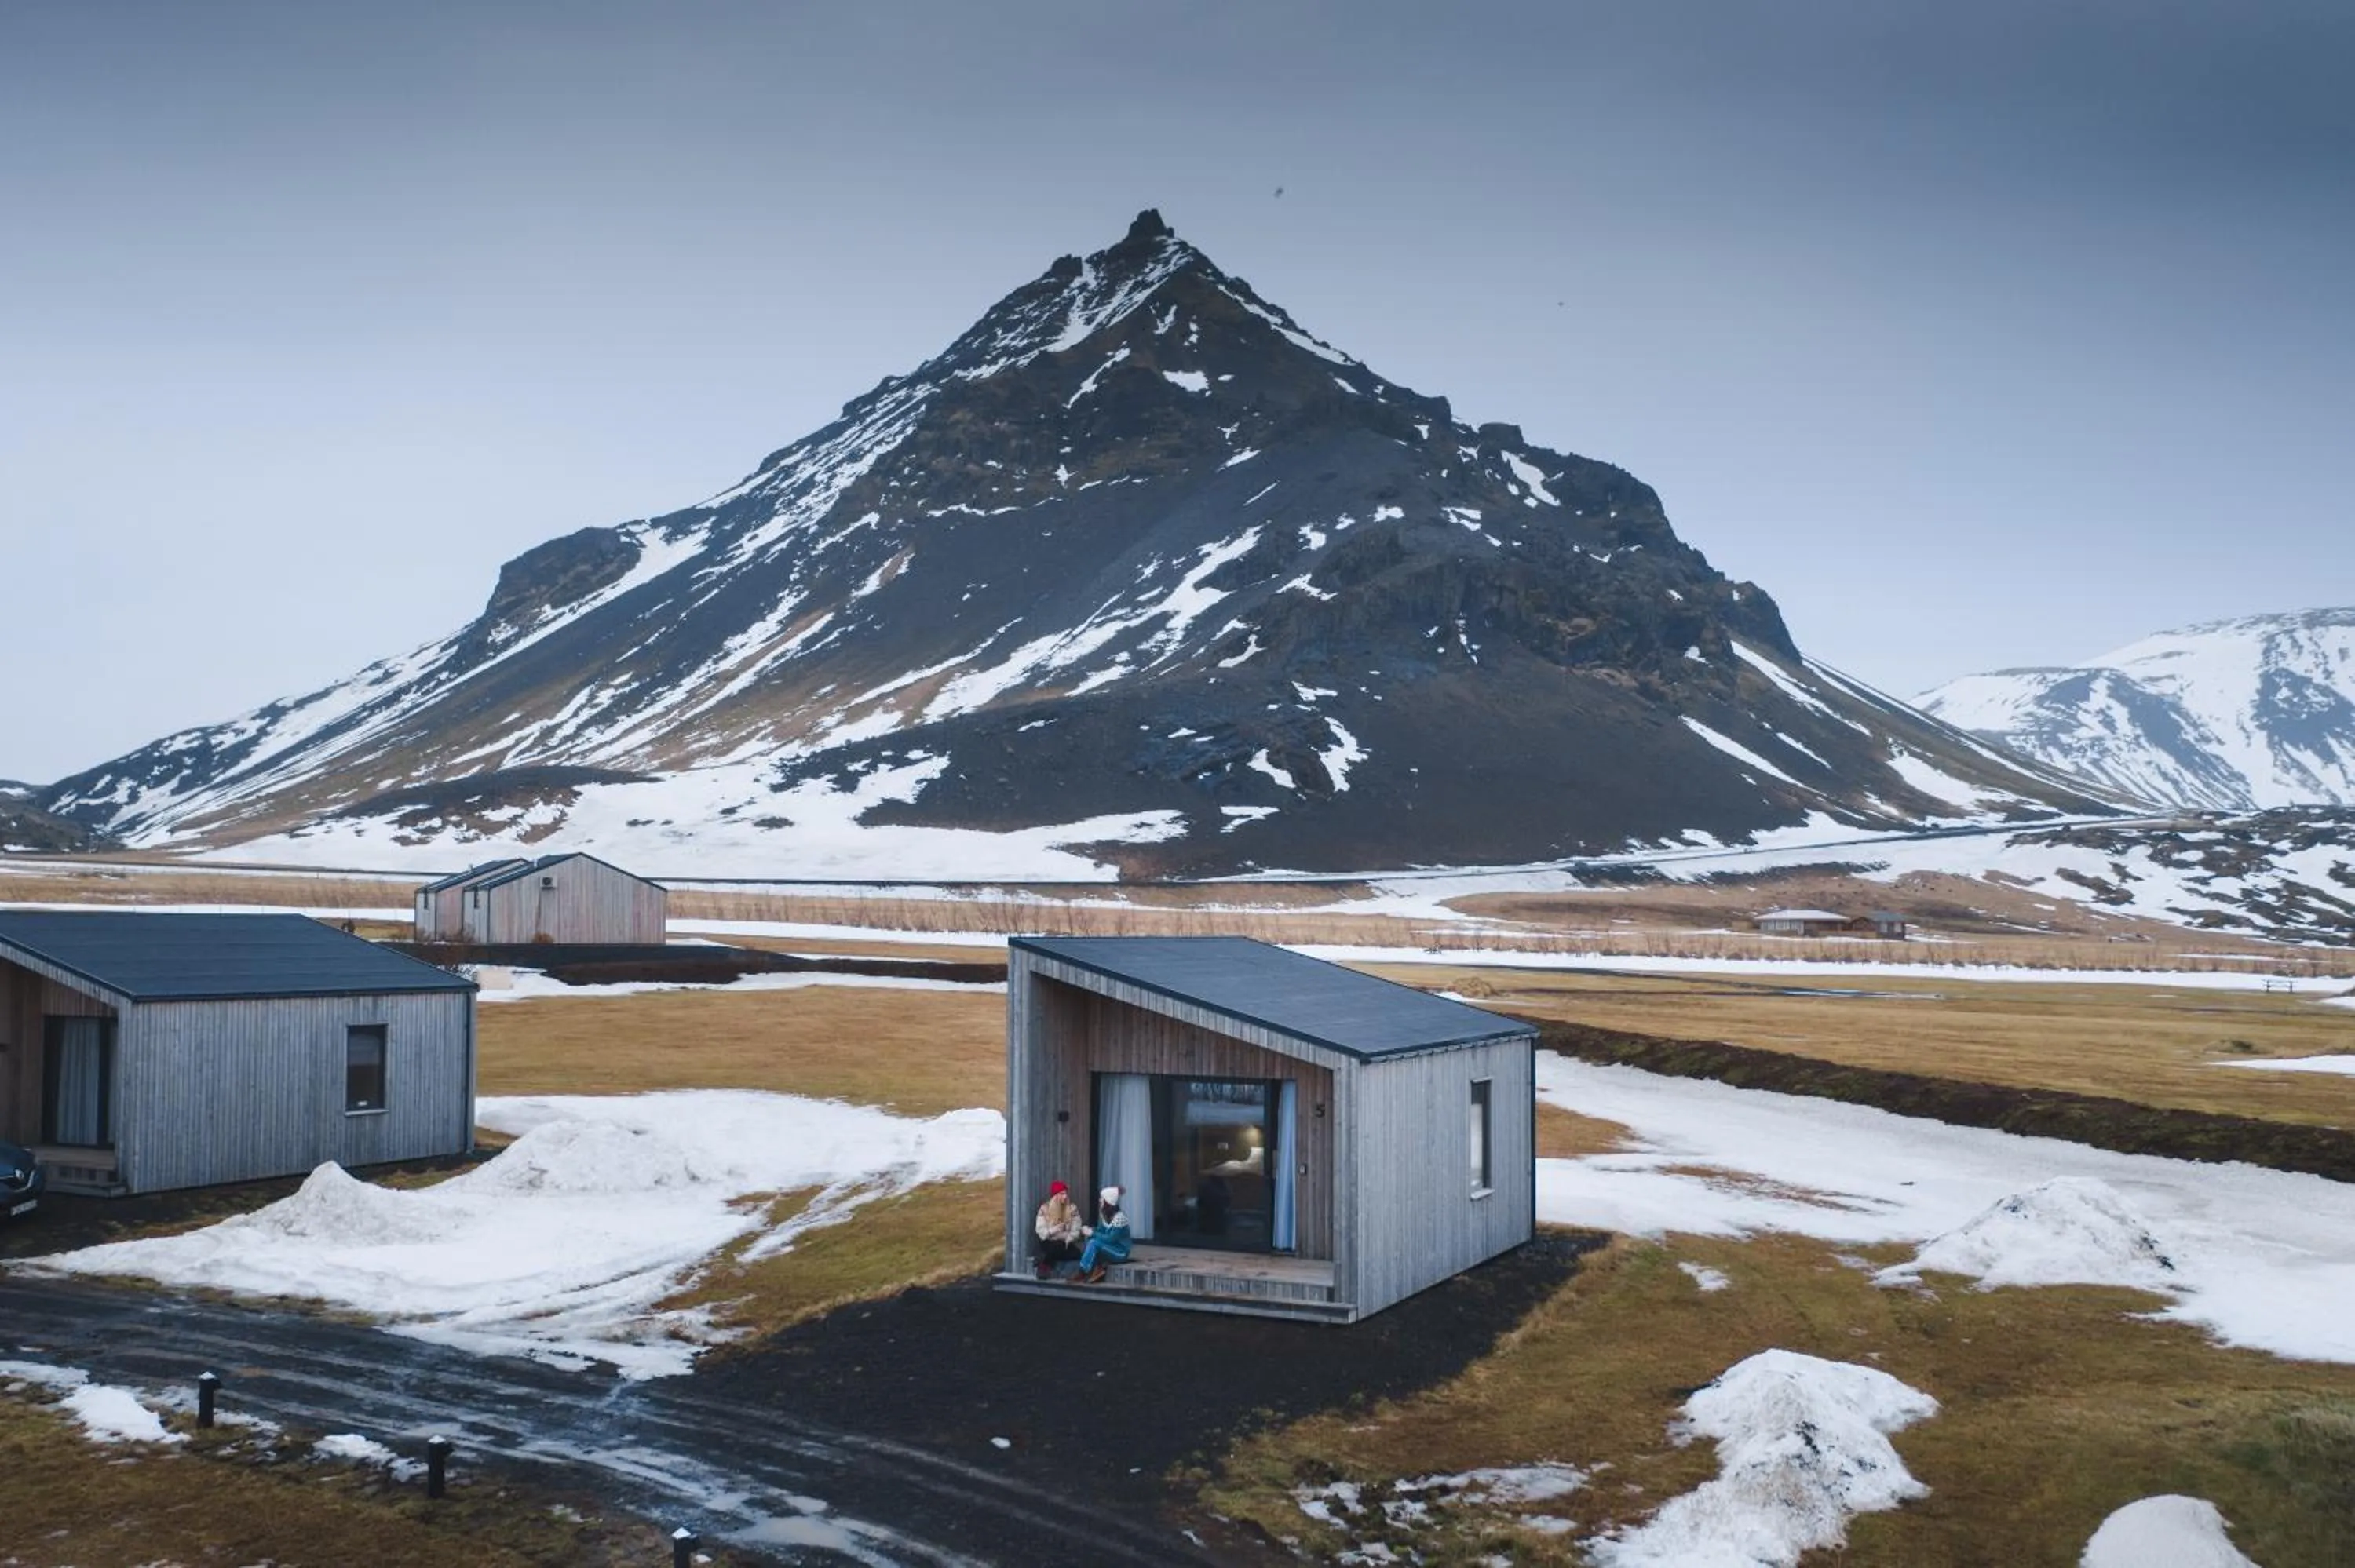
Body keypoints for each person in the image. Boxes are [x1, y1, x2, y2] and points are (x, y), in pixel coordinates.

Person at [1076, 1185, 1133, 1282]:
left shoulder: (1119, 1218)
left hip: (1120, 1252)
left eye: (1102, 1198)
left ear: (1108, 1201)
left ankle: (1083, 1272)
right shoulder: (1104, 1214)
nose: (1100, 1200)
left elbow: (1110, 1239)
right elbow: (1100, 1231)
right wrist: (1090, 1230)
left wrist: (1092, 1233)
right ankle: (1095, 1269)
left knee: (1094, 1242)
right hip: (1109, 1248)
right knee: (1089, 1239)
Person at [1032, 1180, 1083, 1278]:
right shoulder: (1045, 1209)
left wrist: (1069, 1238)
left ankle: (1043, 1261)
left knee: (1076, 1254)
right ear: (1056, 1196)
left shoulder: (1072, 1209)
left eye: (1065, 1194)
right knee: (1054, 1247)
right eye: (1062, 1194)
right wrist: (1054, 1230)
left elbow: (1076, 1229)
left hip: (1065, 1242)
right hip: (1049, 1242)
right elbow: (1041, 1231)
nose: (1065, 1196)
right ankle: (1044, 1267)